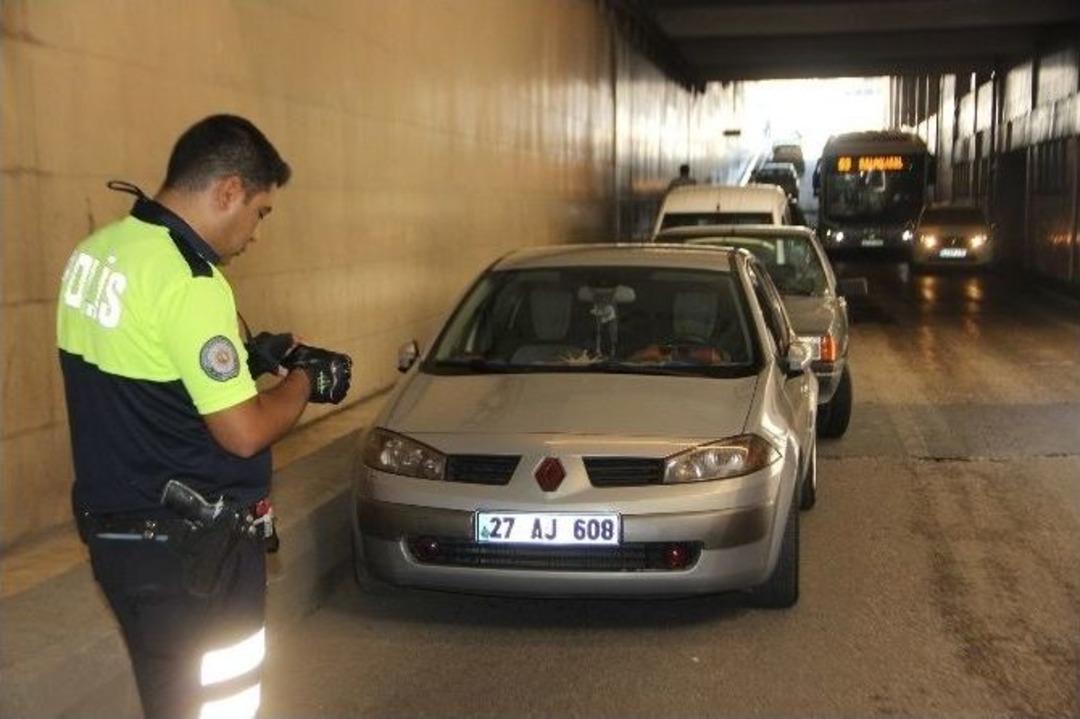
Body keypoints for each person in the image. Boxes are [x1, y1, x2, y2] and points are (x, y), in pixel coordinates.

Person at [56, 114, 352, 719]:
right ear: (228, 191)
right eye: (260, 212)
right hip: (195, 558)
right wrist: (302, 381)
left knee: (168, 700)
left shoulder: (96, 255)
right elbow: (243, 434)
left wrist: (246, 358)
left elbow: (144, 373)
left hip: (118, 543)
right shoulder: (193, 281)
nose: (255, 232)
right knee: (221, 705)